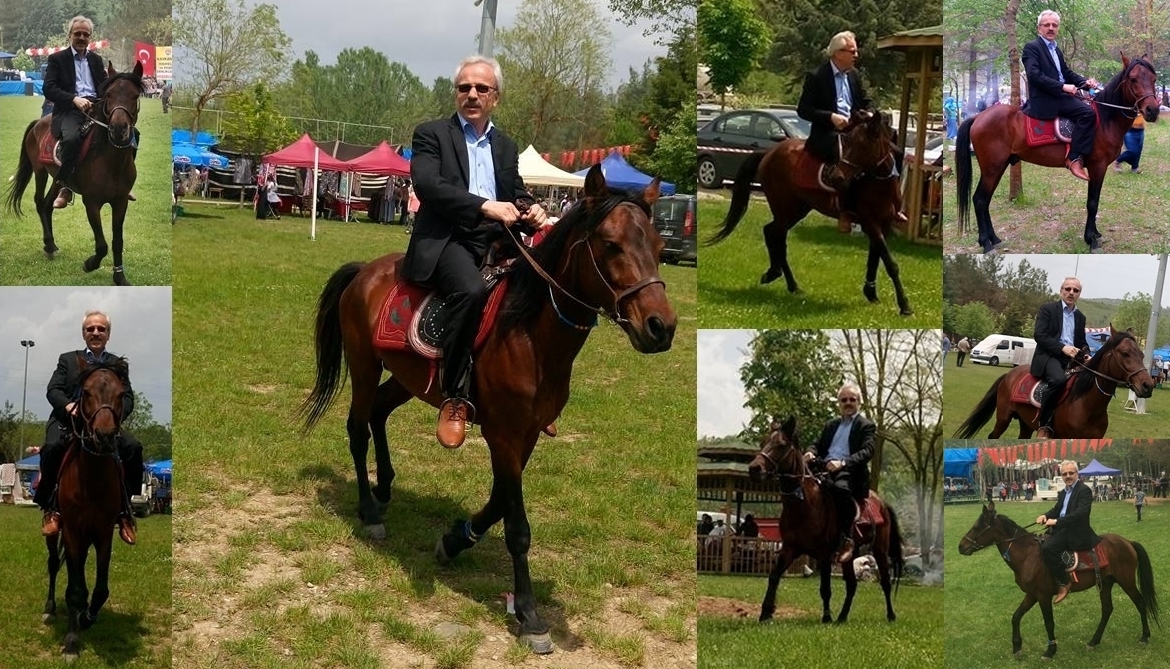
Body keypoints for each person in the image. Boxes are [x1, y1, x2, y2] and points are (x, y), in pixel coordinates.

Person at [401, 55, 549, 449]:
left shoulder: (505, 145)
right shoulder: (431, 134)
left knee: (546, 288)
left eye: (481, 88)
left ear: (495, 97)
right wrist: (484, 206)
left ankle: (531, 391)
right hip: (448, 239)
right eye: (464, 87)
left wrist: (530, 206)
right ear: (456, 93)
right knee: (470, 290)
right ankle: (454, 397)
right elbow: (429, 186)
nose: (472, 94)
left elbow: (513, 189)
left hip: (497, 239)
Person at [34, 310, 141, 545]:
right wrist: (68, 406)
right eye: (90, 329)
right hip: (67, 421)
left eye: (101, 329)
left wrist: (113, 416)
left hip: (104, 423)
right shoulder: (67, 359)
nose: (96, 332)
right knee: (51, 447)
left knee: (133, 447)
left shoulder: (117, 364)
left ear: (108, 334)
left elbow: (129, 398)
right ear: (83, 333)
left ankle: (125, 510)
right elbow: (53, 390)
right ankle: (50, 508)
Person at [797, 31, 886, 234]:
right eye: (852, 51)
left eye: (856, 51)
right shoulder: (817, 76)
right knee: (846, 156)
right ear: (838, 53)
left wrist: (871, 114)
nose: (856, 55)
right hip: (827, 134)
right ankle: (845, 212)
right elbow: (803, 110)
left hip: (854, 132)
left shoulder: (854, 75)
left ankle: (889, 204)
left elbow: (866, 102)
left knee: (889, 149)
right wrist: (831, 117)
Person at [1022, 10, 1101, 181]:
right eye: (1047, 25)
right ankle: (1074, 158)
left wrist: (1085, 83)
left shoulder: (1055, 50)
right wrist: (1062, 87)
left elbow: (1066, 73)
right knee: (1088, 114)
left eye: (1054, 25)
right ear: (1039, 28)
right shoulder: (1032, 47)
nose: (1051, 28)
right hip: (1046, 99)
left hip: (1059, 95)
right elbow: (1034, 75)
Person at [803, 382, 875, 564]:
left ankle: (847, 539)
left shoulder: (866, 425)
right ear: (839, 403)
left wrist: (842, 463)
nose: (848, 403)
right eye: (844, 400)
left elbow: (868, 451)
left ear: (859, 402)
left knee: (840, 490)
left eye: (852, 399)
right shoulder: (831, 425)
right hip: (823, 468)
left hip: (849, 472)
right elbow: (817, 444)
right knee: (800, 485)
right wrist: (810, 452)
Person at [43, 15, 106, 209]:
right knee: (71, 139)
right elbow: (49, 88)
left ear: (90, 38)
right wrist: (73, 99)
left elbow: (103, 85)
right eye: (77, 33)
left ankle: (122, 183)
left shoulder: (96, 60)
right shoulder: (57, 59)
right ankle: (65, 185)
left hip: (97, 107)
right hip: (70, 110)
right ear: (69, 35)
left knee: (129, 134)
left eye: (85, 34)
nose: (81, 37)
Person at [1031, 277, 1088, 438]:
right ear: (1061, 290)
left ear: (1079, 294)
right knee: (1058, 380)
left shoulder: (1080, 317)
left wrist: (1087, 355)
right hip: (1049, 356)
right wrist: (1062, 348)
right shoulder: (1047, 309)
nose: (1071, 293)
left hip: (1072, 358)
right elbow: (1039, 335)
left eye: (1075, 290)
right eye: (1068, 289)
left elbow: (1081, 342)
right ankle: (1044, 425)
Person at [1037, 460, 1098, 603]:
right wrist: (1045, 515)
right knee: (1038, 543)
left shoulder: (1084, 490)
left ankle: (1064, 583)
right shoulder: (1064, 492)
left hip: (1076, 531)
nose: (1068, 476)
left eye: (1071, 473)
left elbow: (1080, 514)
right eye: (1064, 474)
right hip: (1063, 528)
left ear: (1077, 473)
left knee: (1048, 548)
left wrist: (1057, 521)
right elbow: (1057, 509)